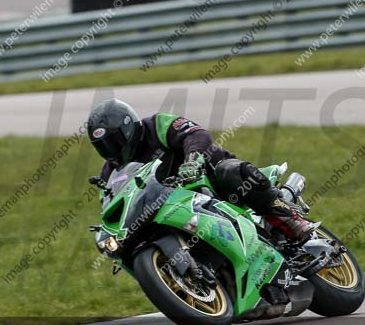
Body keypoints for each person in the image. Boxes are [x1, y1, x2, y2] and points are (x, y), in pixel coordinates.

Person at [86, 98, 315, 244]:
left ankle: (291, 219)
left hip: (210, 181)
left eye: (114, 141)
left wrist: (193, 160)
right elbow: (111, 203)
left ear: (127, 127)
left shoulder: (156, 125)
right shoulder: (110, 172)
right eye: (103, 145)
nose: (111, 150)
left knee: (232, 172)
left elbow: (196, 134)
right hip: (171, 208)